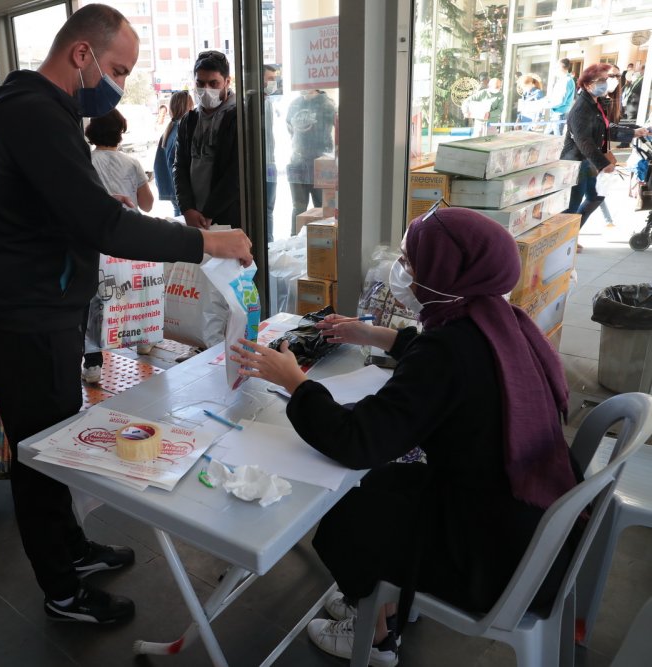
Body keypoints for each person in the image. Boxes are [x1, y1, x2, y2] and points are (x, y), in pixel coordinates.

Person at [0, 3, 252, 625]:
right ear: (81, 54)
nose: (119, 82)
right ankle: (62, 592)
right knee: (39, 457)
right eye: (118, 68)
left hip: (41, 309)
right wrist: (205, 243)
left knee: (57, 442)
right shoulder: (36, 113)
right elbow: (101, 228)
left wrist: (98, 202)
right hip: (24, 317)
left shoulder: (40, 112)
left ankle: (73, 550)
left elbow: (60, 209)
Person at [229, 207, 582, 667]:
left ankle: (374, 633)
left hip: (490, 559)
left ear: (445, 273)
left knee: (345, 512)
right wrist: (375, 335)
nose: (404, 272)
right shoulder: (503, 320)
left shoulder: (449, 349)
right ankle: (383, 598)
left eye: (411, 262)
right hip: (528, 522)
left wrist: (294, 381)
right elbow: (451, 361)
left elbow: (358, 442)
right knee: (382, 486)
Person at [82, 108, 155, 382]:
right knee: (136, 290)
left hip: (97, 240)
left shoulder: (86, 162)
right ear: (120, 133)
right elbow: (147, 205)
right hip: (130, 238)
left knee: (96, 301)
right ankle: (143, 341)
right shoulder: (132, 163)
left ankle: (93, 365)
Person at [561, 63, 648, 248]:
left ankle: (569, 237)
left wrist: (634, 132)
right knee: (571, 206)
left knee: (596, 197)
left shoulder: (596, 103)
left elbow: (607, 129)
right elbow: (583, 141)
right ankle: (562, 243)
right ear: (586, 84)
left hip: (589, 161)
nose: (608, 82)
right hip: (577, 163)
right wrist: (603, 163)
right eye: (602, 80)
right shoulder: (581, 109)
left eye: (610, 78)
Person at [173, 50, 241, 230]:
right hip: (194, 214)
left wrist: (210, 212)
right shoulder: (189, 120)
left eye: (214, 83)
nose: (207, 90)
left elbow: (237, 173)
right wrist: (187, 208)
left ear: (227, 82)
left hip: (228, 215)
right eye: (200, 83)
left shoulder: (240, 118)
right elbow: (179, 166)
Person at [286, 88, 336, 228]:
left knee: (322, 208)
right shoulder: (295, 104)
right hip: (297, 163)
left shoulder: (327, 105)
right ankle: (295, 240)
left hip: (320, 164)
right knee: (298, 207)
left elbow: (338, 128)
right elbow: (290, 128)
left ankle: (322, 244)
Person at [152, 90, 192, 217]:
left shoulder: (171, 129)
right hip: (179, 189)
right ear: (188, 107)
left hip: (171, 188)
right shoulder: (181, 131)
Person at [263, 65, 279, 243]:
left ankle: (269, 244)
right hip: (262, 164)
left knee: (269, 208)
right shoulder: (252, 104)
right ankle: (267, 244)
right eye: (270, 78)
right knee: (265, 209)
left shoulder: (268, 102)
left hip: (270, 164)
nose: (273, 82)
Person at [547, 59, 575, 135]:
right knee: (547, 137)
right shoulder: (563, 80)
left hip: (559, 114)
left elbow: (560, 101)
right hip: (556, 114)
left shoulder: (566, 81)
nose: (554, 69)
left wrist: (544, 105)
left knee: (556, 140)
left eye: (556, 67)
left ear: (560, 67)